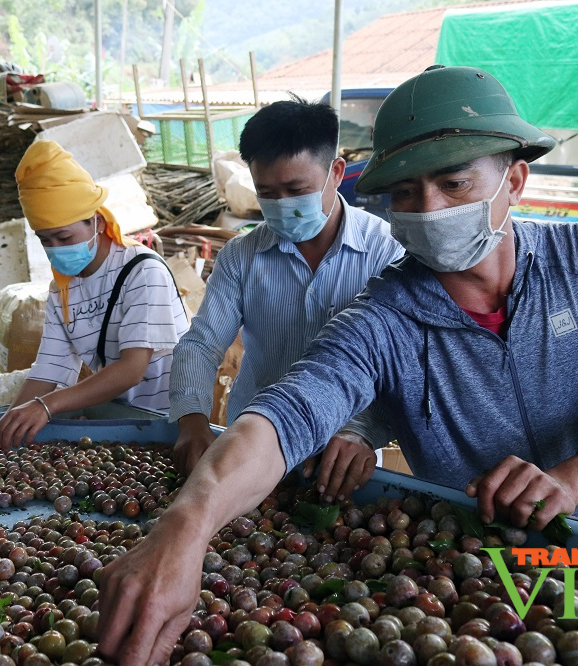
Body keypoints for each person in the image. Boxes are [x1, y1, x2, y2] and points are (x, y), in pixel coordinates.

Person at [95, 65, 578, 663]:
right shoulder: (384, 312)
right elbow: (291, 410)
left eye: (454, 184)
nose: (429, 208)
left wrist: (571, 482)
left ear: (513, 181)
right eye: (407, 192)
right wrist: (184, 529)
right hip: (475, 580)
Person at [169, 97, 404, 501]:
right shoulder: (242, 257)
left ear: (336, 172)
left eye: (296, 191)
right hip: (252, 446)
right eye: (267, 194)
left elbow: (401, 363)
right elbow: (202, 343)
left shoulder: (386, 252)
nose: (281, 207)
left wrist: (361, 431)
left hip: (343, 454)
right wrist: (191, 419)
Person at [0, 141, 188, 453]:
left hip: (170, 422)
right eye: (46, 240)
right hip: (124, 425)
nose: (57, 249)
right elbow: (50, 368)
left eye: (64, 237)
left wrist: (46, 407)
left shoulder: (143, 272)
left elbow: (131, 368)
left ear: (96, 222)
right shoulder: (62, 290)